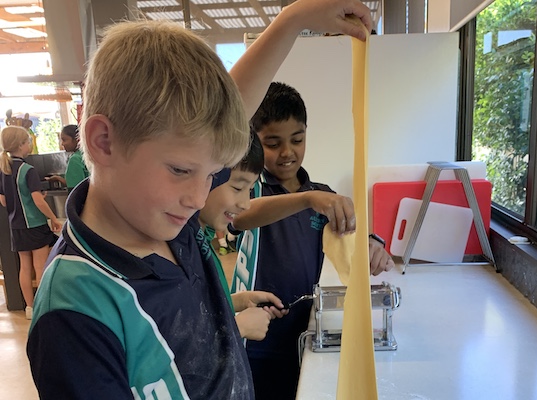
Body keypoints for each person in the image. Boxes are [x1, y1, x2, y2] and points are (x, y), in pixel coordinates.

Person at [26, 0, 374, 398]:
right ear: (104, 142)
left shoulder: (163, 212)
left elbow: (229, 112)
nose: (198, 197)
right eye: (180, 170)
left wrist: (293, 20)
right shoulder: (76, 310)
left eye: (212, 174)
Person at [230, 82, 395, 400]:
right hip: (259, 337)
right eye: (273, 143)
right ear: (254, 142)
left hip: (309, 330)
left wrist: (373, 245)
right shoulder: (250, 191)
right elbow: (240, 217)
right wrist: (306, 199)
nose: (287, 152)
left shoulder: (322, 195)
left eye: (297, 140)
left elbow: (351, 235)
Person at [199, 133, 288, 340]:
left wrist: (236, 301)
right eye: (238, 188)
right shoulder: (179, 248)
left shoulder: (202, 236)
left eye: (249, 190)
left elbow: (201, 309)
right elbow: (180, 347)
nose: (246, 203)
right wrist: (238, 328)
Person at [0, 126, 62, 320]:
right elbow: (37, 200)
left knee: (24, 267)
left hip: (16, 226)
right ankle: (44, 306)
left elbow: (3, 200)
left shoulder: (4, 168)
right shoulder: (28, 170)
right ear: (21, 145)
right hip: (34, 225)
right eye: (28, 141)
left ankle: (30, 307)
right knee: (41, 265)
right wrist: (53, 217)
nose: (30, 144)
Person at [47, 124, 89, 190]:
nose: (62, 144)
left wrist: (58, 178)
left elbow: (75, 188)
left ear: (77, 139)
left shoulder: (75, 159)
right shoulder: (86, 154)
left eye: (64, 140)